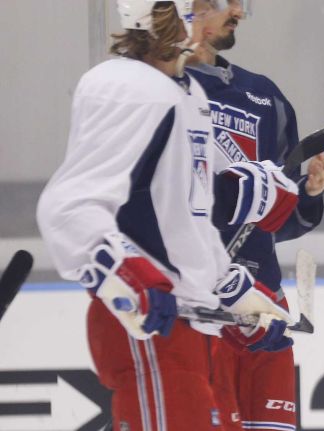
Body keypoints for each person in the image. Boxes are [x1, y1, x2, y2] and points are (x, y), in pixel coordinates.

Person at [36, 1, 300, 429]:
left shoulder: (187, 91)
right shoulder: (124, 84)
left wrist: (232, 296)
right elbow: (70, 206)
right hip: (150, 323)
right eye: (205, 4)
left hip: (192, 327)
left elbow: (186, 217)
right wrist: (128, 274)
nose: (226, 11)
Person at [186, 2, 324, 430]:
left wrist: (306, 194)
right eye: (223, 2)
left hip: (263, 301)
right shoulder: (162, 88)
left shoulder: (265, 97)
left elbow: (272, 220)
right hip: (200, 304)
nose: (237, 11)